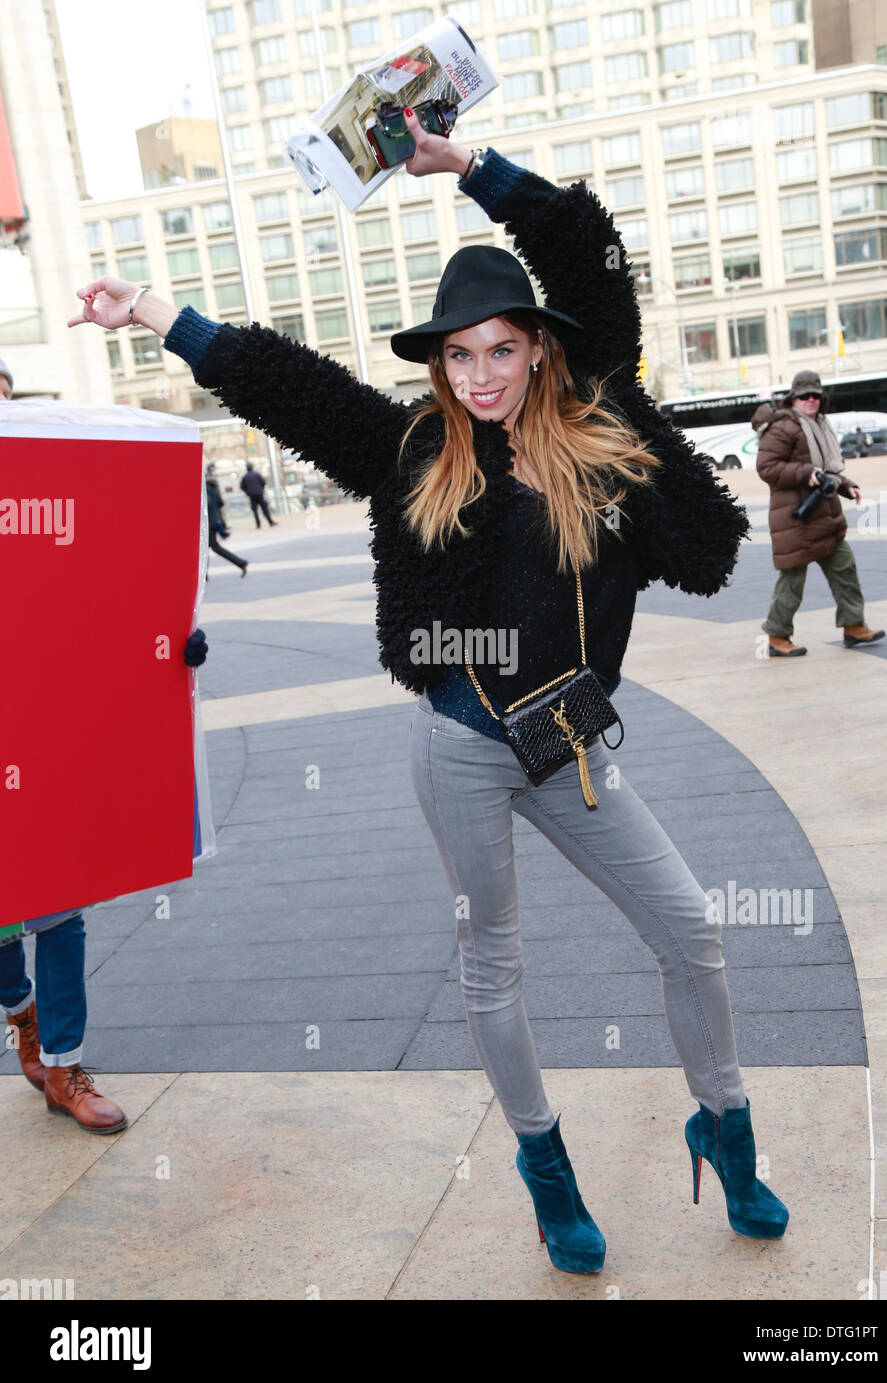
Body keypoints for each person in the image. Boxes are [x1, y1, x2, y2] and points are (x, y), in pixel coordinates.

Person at [67, 112, 789, 1271]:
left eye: (502, 348)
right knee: (491, 959)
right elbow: (285, 387)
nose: (482, 373)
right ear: (439, 364)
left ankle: (727, 1123)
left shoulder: (600, 429)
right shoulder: (414, 451)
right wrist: (154, 312)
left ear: (540, 350)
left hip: (573, 747)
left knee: (693, 931)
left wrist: (469, 167)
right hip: (457, 742)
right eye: (460, 354)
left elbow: (588, 250)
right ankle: (545, 1166)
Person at [1, 347, 211, 1129]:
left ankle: (61, 1066)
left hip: (41, 731)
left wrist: (170, 635)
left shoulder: (53, 490)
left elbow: (102, 589)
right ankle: (19, 1011)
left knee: (59, 902)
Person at [755, 370, 885, 657]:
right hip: (796, 518)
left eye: (816, 395)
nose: (811, 400)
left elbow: (827, 471)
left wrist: (846, 486)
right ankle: (777, 636)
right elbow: (767, 468)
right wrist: (804, 473)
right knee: (793, 581)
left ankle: (853, 625)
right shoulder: (784, 427)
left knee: (844, 568)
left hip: (823, 514)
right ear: (794, 397)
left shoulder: (819, 425)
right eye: (805, 395)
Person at [205, 463, 248, 579]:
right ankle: (240, 563)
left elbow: (207, 504)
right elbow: (220, 503)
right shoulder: (213, 486)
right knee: (210, 547)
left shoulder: (204, 488)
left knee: (206, 548)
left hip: (208, 522)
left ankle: (203, 575)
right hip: (216, 520)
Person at [239, 461, 276, 528]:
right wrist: (261, 489)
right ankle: (270, 522)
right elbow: (263, 482)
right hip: (259, 494)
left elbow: (242, 486)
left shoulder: (245, 476)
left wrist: (247, 492)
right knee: (264, 508)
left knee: (255, 510)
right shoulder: (257, 474)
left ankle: (258, 524)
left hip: (252, 495)